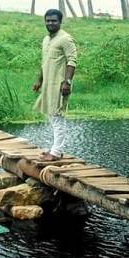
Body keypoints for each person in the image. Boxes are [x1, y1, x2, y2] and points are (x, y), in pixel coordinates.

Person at [32, 9, 77, 161]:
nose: (50, 23)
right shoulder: (46, 39)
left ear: (60, 22)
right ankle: (55, 149)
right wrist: (39, 80)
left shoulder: (65, 39)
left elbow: (72, 61)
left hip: (59, 85)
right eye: (48, 20)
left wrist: (67, 82)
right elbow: (45, 62)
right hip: (48, 85)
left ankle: (56, 152)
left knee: (57, 117)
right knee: (52, 115)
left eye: (54, 20)